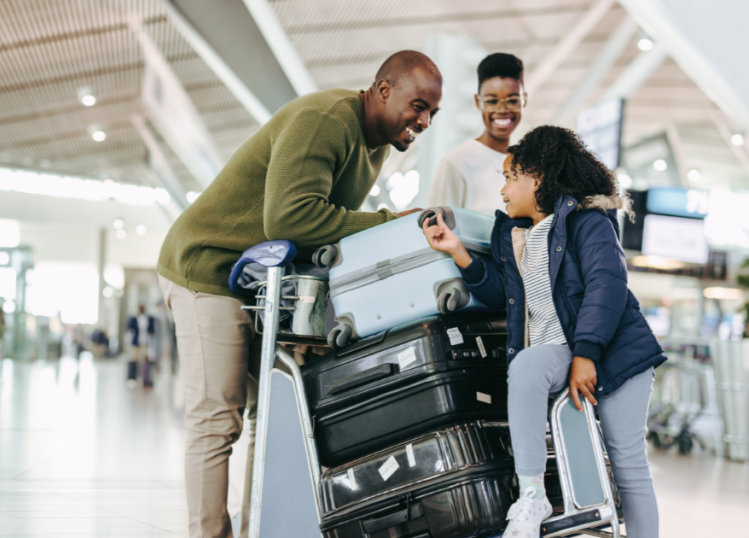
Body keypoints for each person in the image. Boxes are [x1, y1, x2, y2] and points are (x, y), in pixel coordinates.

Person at [157, 50, 442, 538]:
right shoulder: (326, 120)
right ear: (383, 89)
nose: (424, 120)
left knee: (270, 417)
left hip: (257, 282)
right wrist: (391, 222)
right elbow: (291, 220)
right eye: (418, 105)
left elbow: (319, 232)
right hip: (208, 267)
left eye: (432, 113)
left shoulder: (373, 145)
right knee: (217, 418)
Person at [423, 125, 665, 538]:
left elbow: (607, 284)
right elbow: (503, 294)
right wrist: (458, 252)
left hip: (618, 355)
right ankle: (531, 493)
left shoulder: (589, 222)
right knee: (528, 364)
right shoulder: (515, 235)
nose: (502, 191)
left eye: (509, 178)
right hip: (559, 350)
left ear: (537, 177)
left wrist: (586, 355)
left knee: (627, 464)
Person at [428, 53, 525, 215]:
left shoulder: (527, 164)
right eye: (492, 101)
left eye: (512, 100)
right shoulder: (456, 163)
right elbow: (435, 232)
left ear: (524, 101)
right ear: (478, 102)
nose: (502, 110)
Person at [126, 305, 156, 388]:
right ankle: (132, 379)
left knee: (145, 361)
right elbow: (129, 329)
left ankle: (145, 379)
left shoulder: (149, 319)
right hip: (136, 342)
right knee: (133, 359)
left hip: (145, 343)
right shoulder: (133, 318)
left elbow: (152, 330)